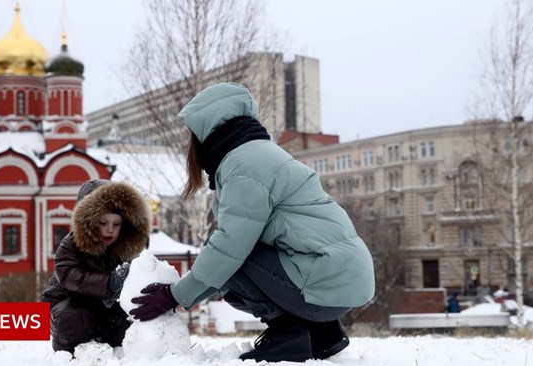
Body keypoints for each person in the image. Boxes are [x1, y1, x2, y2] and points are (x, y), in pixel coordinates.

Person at [129, 82, 375, 362]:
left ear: (206, 130)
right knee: (228, 268)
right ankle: (323, 333)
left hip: (326, 278)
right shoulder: (256, 154)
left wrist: (174, 295)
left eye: (192, 134)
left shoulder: (244, 165)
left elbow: (230, 248)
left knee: (232, 257)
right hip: (339, 278)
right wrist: (186, 294)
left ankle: (288, 334)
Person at [41, 179, 151, 354]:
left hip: (108, 307)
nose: (109, 230)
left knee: (129, 322)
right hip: (72, 301)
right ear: (88, 221)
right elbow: (68, 273)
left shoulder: (127, 247)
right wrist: (109, 283)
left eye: (116, 224)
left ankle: (115, 348)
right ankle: (68, 353)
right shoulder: (71, 244)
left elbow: (142, 276)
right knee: (72, 318)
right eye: (103, 223)